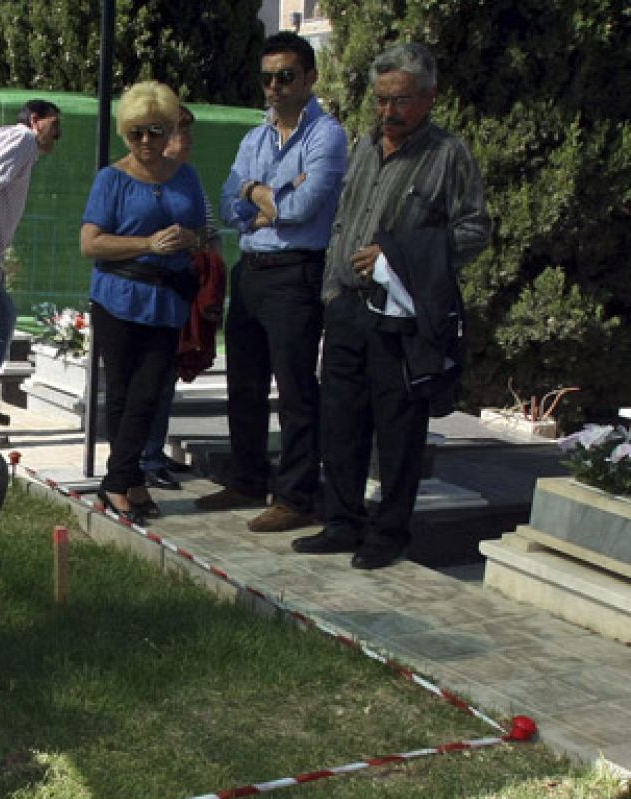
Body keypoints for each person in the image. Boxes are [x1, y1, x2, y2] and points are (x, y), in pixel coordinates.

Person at [293, 43, 491, 570]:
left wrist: (398, 255)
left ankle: (389, 531)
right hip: (346, 306)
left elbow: (475, 230)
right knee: (340, 420)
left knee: (398, 427)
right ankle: (341, 520)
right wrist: (333, 287)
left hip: (400, 315)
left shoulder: (448, 155)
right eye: (380, 100)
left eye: (399, 101)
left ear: (428, 97)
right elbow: (343, 219)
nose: (387, 112)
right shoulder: (364, 145)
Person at [197, 31, 348, 532]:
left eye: (285, 76)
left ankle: (297, 495)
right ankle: (245, 479)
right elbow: (228, 205)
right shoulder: (254, 136)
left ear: (309, 77)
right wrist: (267, 197)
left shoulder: (326, 136)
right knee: (244, 383)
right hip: (253, 270)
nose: (275, 87)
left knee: (296, 388)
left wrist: (257, 197)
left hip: (295, 274)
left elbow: (305, 209)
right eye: (267, 78)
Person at [79, 81, 207, 526]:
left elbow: (205, 232)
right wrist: (147, 242)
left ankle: (121, 480)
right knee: (122, 394)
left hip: (167, 299)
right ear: (125, 134)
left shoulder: (186, 176)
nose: (147, 141)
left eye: (155, 131)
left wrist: (191, 239)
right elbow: (90, 243)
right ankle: (122, 482)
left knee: (149, 393)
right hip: (117, 298)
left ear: (169, 129)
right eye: (137, 133)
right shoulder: (110, 179)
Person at [138, 103, 224, 500]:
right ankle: (143, 457)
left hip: (185, 290)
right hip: (158, 290)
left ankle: (154, 450)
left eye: (188, 133)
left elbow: (207, 231)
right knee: (151, 377)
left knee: (168, 375)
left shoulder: (187, 179)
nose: (187, 142)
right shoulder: (152, 183)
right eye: (180, 133)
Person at [0, 98, 63, 426]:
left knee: (3, 320)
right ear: (36, 120)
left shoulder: (19, 144)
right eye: (55, 125)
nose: (59, 134)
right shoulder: (22, 139)